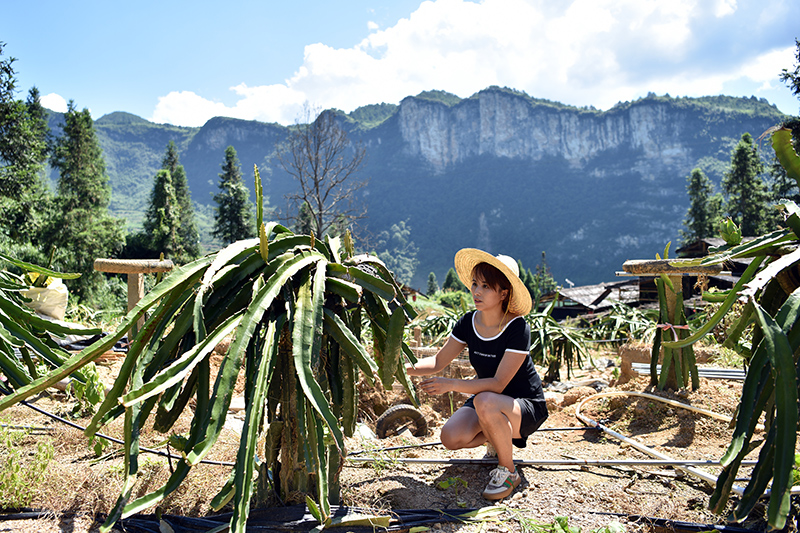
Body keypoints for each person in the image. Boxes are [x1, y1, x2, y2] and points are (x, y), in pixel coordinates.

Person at [406, 248, 548, 500]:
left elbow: (498, 383)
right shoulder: (468, 322)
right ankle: (496, 435)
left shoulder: (517, 327)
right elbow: (438, 361)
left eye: (486, 286)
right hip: (488, 401)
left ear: (504, 293)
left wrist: (450, 384)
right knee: (450, 437)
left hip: (523, 405)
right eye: (474, 284)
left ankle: (509, 471)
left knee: (485, 400)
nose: (476, 291)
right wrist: (399, 369)